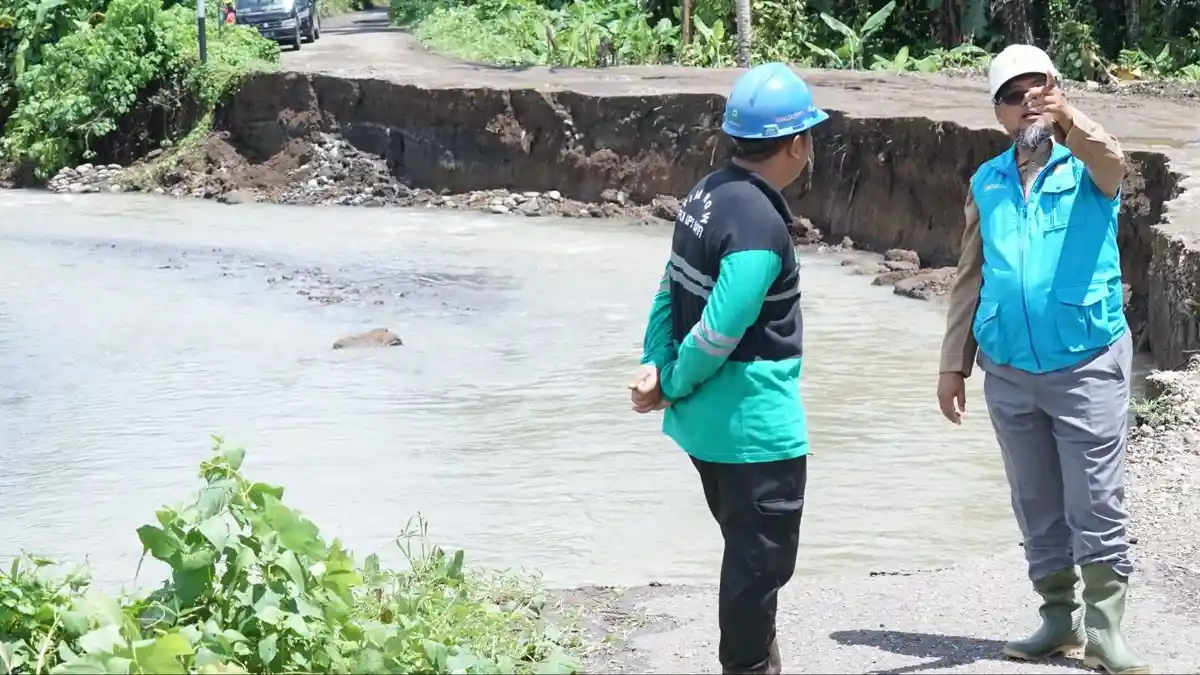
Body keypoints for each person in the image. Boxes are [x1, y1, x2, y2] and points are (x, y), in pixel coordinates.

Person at [937, 44, 1147, 675]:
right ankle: (1057, 620)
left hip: (1086, 360)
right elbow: (971, 276)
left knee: (1096, 499)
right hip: (1008, 368)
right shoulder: (988, 182)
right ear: (997, 112)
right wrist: (954, 363)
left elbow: (1117, 164)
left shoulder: (1087, 169)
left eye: (1040, 88)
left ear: (1056, 92)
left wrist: (1073, 118)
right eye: (1014, 94)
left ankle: (1106, 628)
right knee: (1034, 499)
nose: (1028, 102)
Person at [628, 61, 827, 675]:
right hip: (751, 428)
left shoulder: (705, 195)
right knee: (761, 563)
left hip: (706, 428)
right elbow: (721, 327)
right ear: (796, 144)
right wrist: (673, 379)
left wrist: (656, 364)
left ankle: (761, 662)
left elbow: (671, 287)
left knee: (746, 553)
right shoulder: (761, 225)